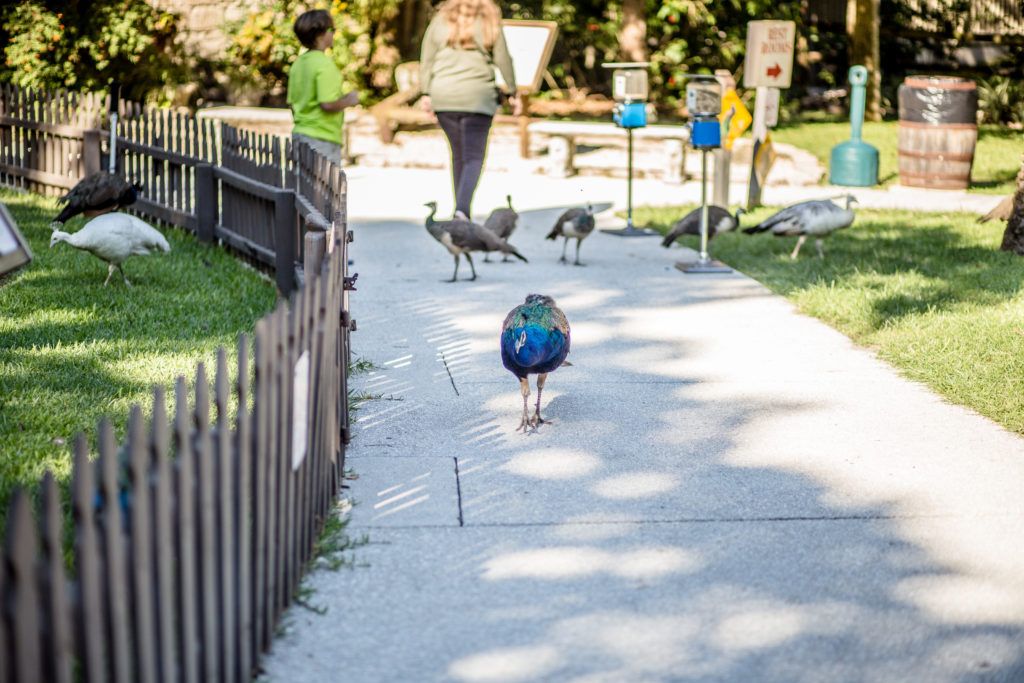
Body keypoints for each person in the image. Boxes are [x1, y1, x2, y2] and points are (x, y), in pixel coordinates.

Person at [419, 0, 520, 220]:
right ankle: (462, 211)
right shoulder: (489, 18)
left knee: (458, 155)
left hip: (444, 96)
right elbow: (503, 58)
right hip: (478, 97)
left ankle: (460, 211)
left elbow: (427, 59)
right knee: (474, 157)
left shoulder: (441, 19)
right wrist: (512, 91)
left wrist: (426, 93)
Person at [287, 9, 360, 166]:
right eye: (332, 30)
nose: (334, 34)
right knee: (325, 188)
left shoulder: (298, 64)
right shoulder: (324, 64)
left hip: (300, 135)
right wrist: (350, 100)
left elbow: (292, 104)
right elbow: (328, 104)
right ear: (321, 34)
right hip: (323, 139)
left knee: (302, 188)